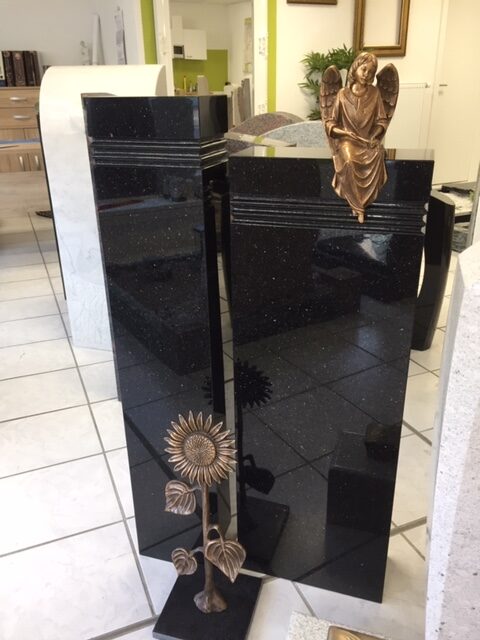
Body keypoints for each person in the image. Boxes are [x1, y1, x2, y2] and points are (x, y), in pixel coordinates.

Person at [323, 52, 389, 223]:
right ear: (356, 68)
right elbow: (330, 123)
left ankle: (364, 201)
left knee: (378, 154)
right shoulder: (342, 94)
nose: (366, 74)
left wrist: (374, 136)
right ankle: (358, 206)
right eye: (364, 69)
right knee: (349, 161)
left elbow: (382, 121)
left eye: (371, 72)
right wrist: (345, 133)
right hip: (347, 141)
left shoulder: (374, 93)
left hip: (366, 141)